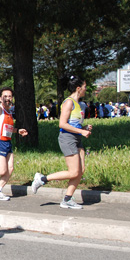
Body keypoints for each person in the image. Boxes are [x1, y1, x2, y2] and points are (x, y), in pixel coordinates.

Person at [31, 75, 92, 209]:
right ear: (78, 88)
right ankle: (42, 179)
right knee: (73, 172)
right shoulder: (69, 102)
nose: (86, 89)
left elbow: (73, 124)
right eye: (84, 87)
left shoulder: (79, 104)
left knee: (80, 171)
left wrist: (83, 128)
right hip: (67, 138)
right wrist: (81, 131)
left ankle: (67, 199)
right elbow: (62, 124)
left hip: (76, 138)